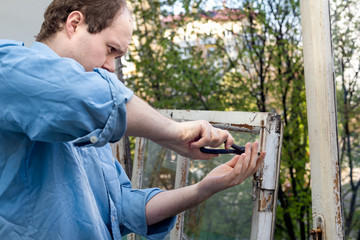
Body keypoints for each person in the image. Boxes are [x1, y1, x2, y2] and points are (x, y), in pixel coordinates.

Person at [0, 0, 265, 239]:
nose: (110, 67)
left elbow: (121, 207)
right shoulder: (8, 65)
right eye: (110, 48)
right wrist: (173, 132)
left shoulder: (92, 122)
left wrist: (202, 189)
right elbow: (85, 97)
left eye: (118, 56)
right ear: (74, 23)